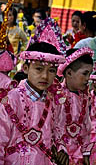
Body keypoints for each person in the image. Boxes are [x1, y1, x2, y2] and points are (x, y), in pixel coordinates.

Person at [0, 17, 69, 165]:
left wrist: (62, 149)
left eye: (51, 70)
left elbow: (59, 131)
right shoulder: (12, 99)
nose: (45, 76)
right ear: (25, 68)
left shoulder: (56, 100)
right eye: (38, 68)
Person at [57, 47, 94, 164]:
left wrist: (86, 152)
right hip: (59, 156)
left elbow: (86, 127)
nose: (88, 78)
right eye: (85, 73)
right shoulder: (55, 96)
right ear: (68, 73)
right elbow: (52, 127)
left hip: (78, 157)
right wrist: (60, 149)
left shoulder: (85, 98)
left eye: (90, 73)